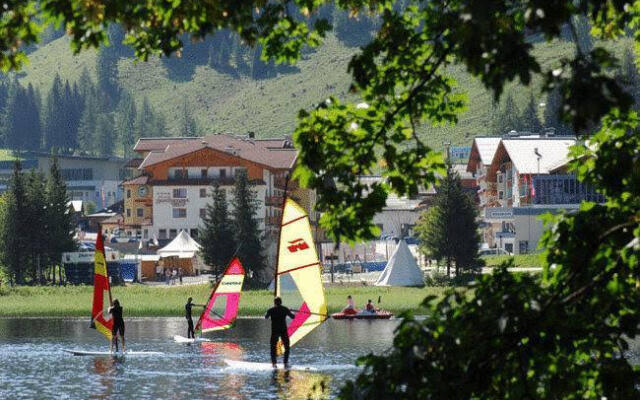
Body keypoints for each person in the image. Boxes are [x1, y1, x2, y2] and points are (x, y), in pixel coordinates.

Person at [265, 297, 295, 368]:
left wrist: (267, 312)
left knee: (273, 346)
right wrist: (289, 311)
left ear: (275, 302)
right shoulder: (285, 309)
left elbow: (266, 317)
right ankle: (285, 362)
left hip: (275, 330)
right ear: (281, 302)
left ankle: (274, 363)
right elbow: (293, 317)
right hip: (283, 330)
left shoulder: (271, 310)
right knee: (287, 346)